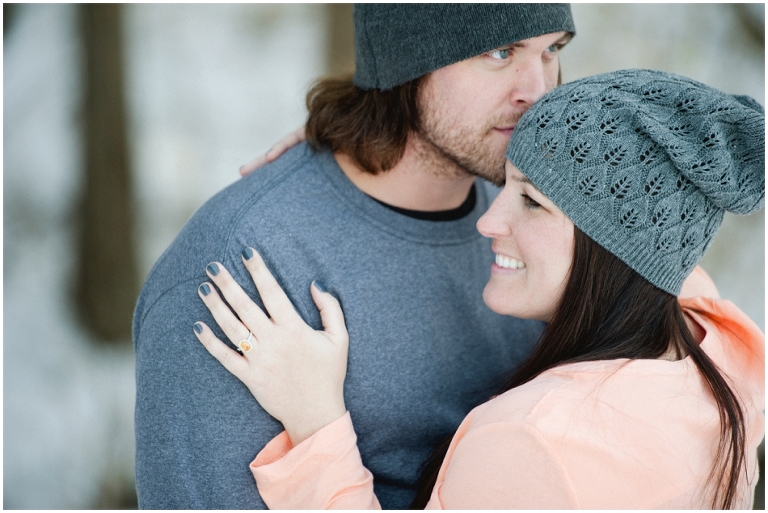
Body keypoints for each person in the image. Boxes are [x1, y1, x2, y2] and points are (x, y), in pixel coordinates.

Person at [193, 69, 765, 509]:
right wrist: (361, 140)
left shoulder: (528, 441)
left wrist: (315, 421)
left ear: (612, 250)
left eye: (532, 202)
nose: (489, 222)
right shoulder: (718, 342)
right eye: (507, 187)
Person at [133, 4, 576, 509]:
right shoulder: (244, 267)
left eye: (553, 50)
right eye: (500, 51)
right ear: (405, 59)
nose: (539, 92)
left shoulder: (552, 224)